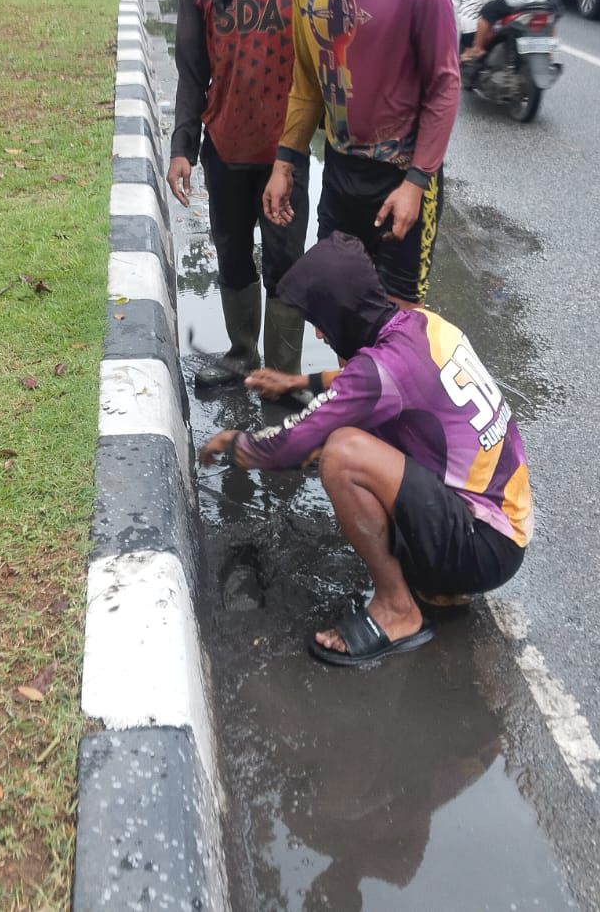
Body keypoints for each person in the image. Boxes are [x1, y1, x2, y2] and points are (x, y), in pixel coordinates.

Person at [198, 233, 533, 666]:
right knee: (356, 431)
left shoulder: (379, 371)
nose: (320, 332)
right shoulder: (422, 324)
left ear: (342, 311)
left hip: (482, 546)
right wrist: (298, 382)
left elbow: (289, 445)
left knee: (341, 453)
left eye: (321, 319)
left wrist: (235, 445)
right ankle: (440, 583)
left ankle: (398, 611)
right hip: (501, 527)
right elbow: (366, 381)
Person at [262, 0, 460, 308]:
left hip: (402, 174)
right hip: (340, 171)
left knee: (396, 319)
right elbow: (307, 81)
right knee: (337, 309)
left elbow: (444, 88)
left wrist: (415, 184)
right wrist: (284, 162)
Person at [168, 0, 307, 388]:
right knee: (231, 253)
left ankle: (283, 374)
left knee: (285, 263)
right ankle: (244, 354)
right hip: (224, 149)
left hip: (284, 154)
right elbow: (191, 72)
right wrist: (182, 147)